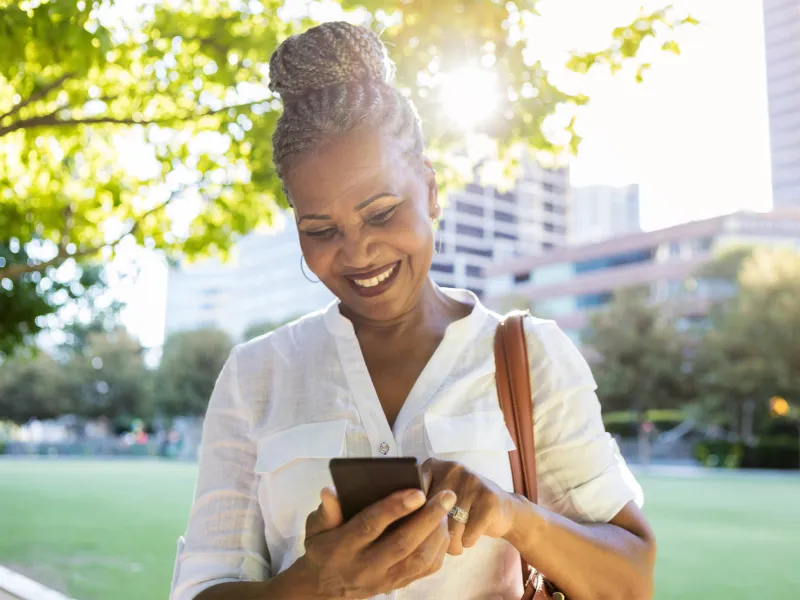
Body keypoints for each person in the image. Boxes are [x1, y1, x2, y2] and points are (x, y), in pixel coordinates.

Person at [170, 22, 655, 600]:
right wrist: (318, 584)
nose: (357, 253)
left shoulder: (529, 354)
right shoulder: (256, 375)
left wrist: (511, 516)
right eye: (320, 230)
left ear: (429, 189)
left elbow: (630, 582)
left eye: (380, 213)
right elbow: (202, 588)